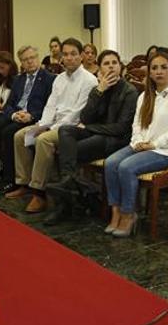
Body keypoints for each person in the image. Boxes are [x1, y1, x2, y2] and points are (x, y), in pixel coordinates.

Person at [45, 50, 138, 224]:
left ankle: (73, 197)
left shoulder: (129, 91)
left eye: (114, 63)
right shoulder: (98, 88)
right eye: (106, 63)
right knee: (65, 130)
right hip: (97, 133)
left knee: (69, 152)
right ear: (100, 69)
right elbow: (86, 117)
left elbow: (121, 128)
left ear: (120, 67)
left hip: (116, 139)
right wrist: (99, 92)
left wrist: (90, 127)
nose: (111, 66)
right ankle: (74, 186)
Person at [103, 52, 168, 237]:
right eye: (154, 68)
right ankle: (115, 212)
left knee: (126, 167)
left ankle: (128, 214)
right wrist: (138, 142)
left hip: (166, 151)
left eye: (163, 67)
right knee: (110, 163)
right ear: (149, 72)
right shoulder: (144, 96)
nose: (159, 72)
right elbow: (137, 123)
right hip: (142, 145)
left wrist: (153, 144)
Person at [8, 38, 98, 213]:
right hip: (53, 122)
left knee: (43, 140)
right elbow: (50, 105)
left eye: (73, 54)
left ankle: (39, 192)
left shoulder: (89, 80)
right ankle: (24, 183)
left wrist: (52, 128)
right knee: (20, 136)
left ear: (80, 56)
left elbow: (78, 112)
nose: (69, 58)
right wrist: (42, 124)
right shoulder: (59, 79)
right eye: (65, 54)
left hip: (71, 128)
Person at [0, 46, 54, 191]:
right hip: (16, 114)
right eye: (25, 60)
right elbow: (8, 104)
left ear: (38, 58)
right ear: (21, 63)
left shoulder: (49, 79)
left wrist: (31, 115)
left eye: (32, 58)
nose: (30, 62)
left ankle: (12, 179)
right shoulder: (19, 79)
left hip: (33, 117)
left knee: (8, 133)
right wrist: (13, 114)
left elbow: (49, 105)